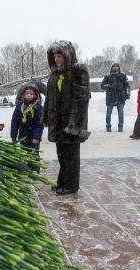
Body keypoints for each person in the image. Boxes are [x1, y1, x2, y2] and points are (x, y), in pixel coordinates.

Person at [42, 41, 91, 195]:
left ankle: (70, 186)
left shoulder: (78, 71)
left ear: (67, 56)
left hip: (71, 123)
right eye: (55, 56)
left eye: (60, 56)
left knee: (71, 156)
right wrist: (45, 116)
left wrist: (74, 124)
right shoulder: (55, 73)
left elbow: (81, 99)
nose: (57, 59)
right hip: (58, 122)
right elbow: (48, 98)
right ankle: (62, 182)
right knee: (62, 155)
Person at [11, 84, 44, 173]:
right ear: (23, 95)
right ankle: (26, 170)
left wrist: (37, 137)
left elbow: (39, 124)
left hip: (33, 137)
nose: (28, 95)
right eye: (26, 94)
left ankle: (34, 171)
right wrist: (13, 135)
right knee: (24, 153)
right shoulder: (19, 107)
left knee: (33, 154)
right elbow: (14, 122)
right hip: (23, 135)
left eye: (31, 94)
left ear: (36, 95)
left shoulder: (38, 107)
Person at [101, 63, 130, 132]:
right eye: (114, 66)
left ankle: (120, 127)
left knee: (121, 113)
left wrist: (127, 95)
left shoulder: (123, 75)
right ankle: (108, 127)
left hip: (120, 97)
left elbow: (127, 86)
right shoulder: (107, 76)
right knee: (108, 113)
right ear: (112, 68)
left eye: (117, 66)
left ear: (119, 68)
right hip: (110, 97)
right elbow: (102, 85)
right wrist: (109, 86)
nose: (115, 67)